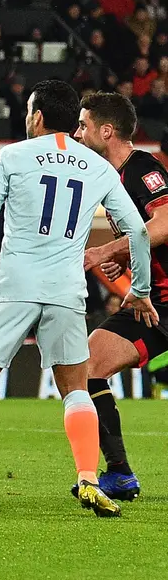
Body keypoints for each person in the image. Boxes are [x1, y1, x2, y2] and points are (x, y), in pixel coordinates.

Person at [0, 80, 157, 518]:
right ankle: (89, 478)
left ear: (38, 117)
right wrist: (139, 289)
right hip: (66, 289)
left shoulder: (11, 156)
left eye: (29, 111)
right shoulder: (98, 167)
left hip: (13, 283)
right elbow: (139, 231)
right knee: (76, 388)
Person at [75, 92, 168, 501]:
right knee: (87, 364)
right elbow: (144, 239)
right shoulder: (109, 180)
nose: (78, 133)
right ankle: (120, 473)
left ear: (105, 130)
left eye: (83, 126)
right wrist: (124, 260)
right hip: (152, 303)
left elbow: (165, 223)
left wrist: (105, 251)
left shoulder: (142, 167)